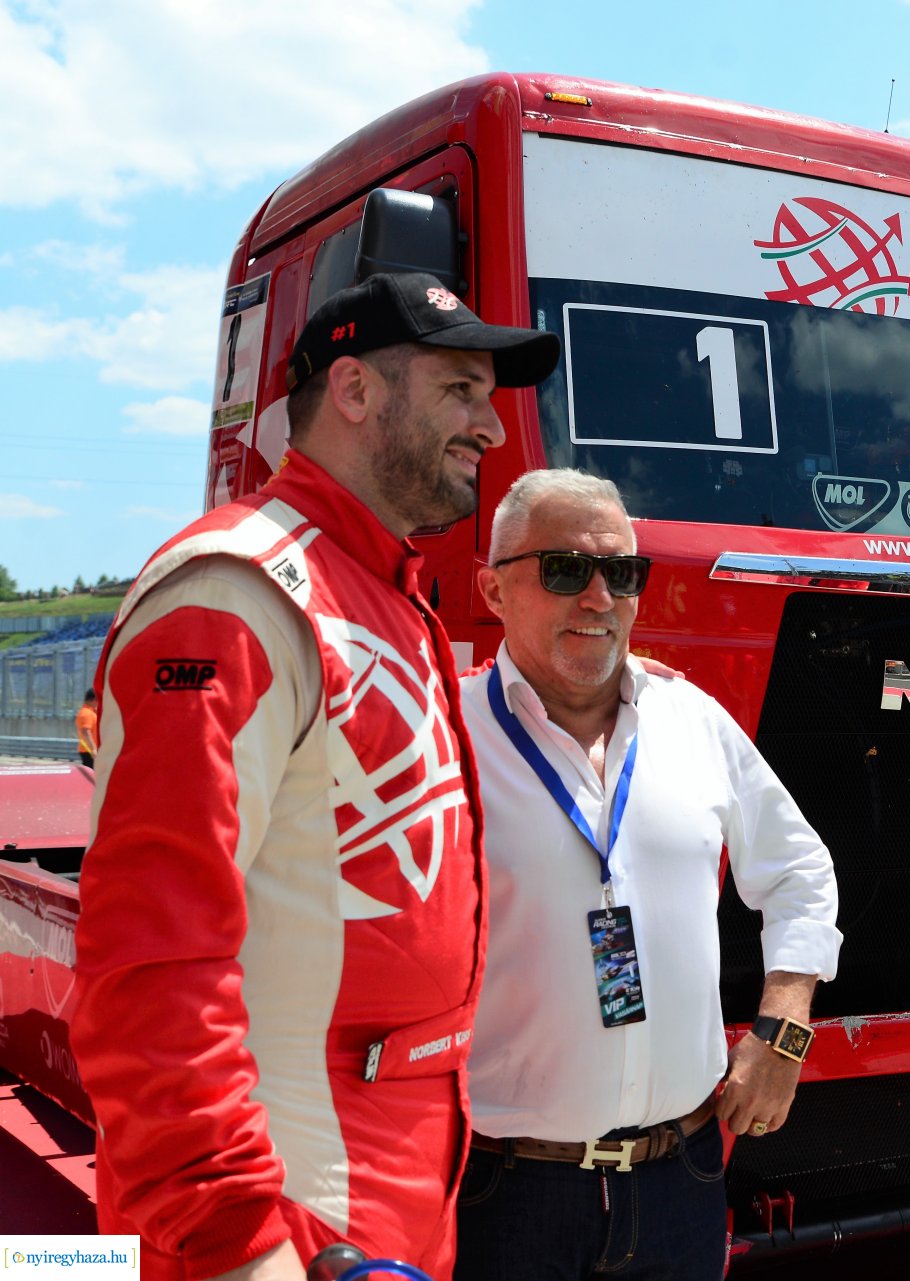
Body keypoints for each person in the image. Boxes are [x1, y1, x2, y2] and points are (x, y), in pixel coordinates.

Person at [70, 271, 560, 1280]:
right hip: (290, 1223)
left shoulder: (385, 592)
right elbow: (151, 964)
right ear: (355, 390)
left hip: (393, 1200)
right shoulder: (233, 595)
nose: (493, 430)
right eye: (462, 390)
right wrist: (238, 1244)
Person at [455, 470, 841, 1281]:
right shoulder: (443, 733)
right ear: (492, 588)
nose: (600, 597)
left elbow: (800, 867)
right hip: (507, 1191)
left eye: (624, 574)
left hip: (681, 1180)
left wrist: (784, 1027)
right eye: (566, 569)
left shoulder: (693, 718)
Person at [74, 687, 99, 768]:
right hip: (89, 751)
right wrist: (93, 749)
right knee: (91, 777)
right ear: (94, 699)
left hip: (91, 751)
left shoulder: (90, 712)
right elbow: (85, 732)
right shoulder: (86, 713)